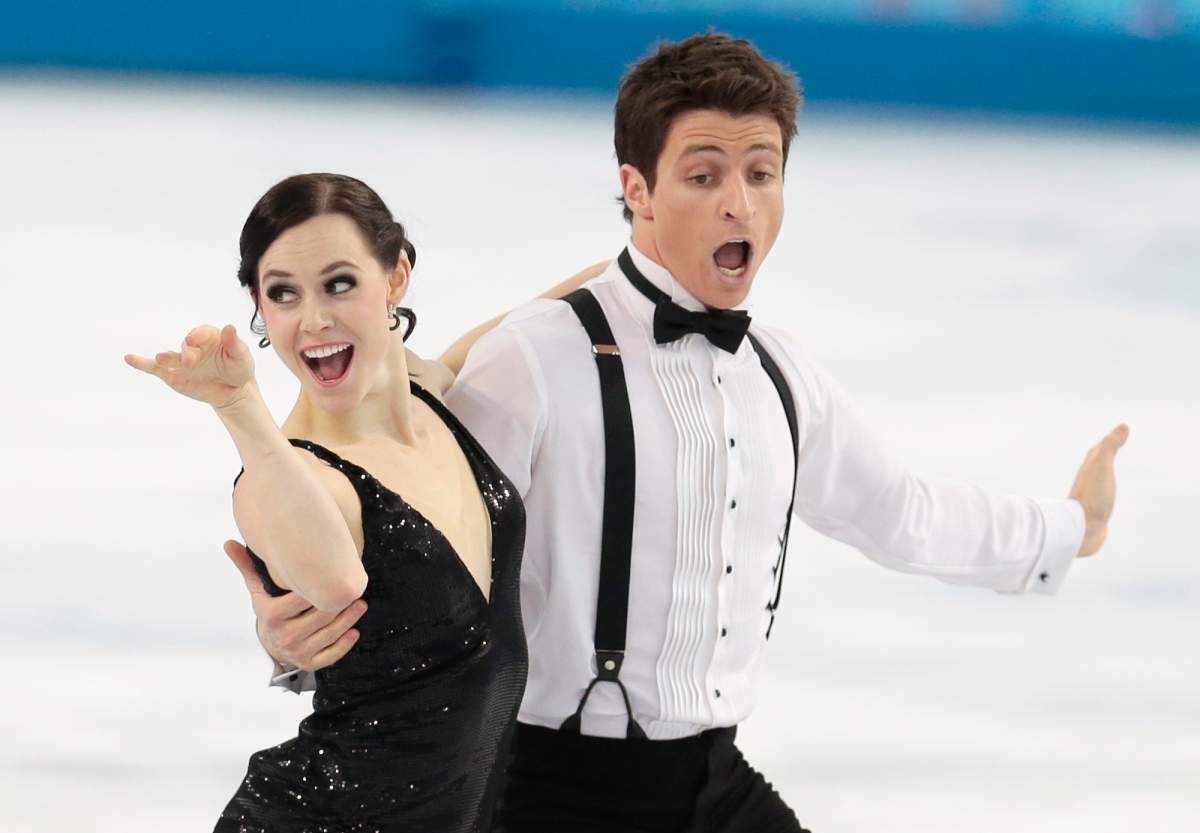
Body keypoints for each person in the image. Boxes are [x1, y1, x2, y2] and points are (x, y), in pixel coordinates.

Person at [233, 34, 1129, 833]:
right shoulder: (539, 357)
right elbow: (411, 523)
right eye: (703, 176)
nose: (739, 204)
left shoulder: (782, 372)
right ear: (639, 190)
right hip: (544, 788)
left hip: (711, 780)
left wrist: (1067, 530)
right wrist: (286, 627)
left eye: (762, 172)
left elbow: (899, 512)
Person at [127, 173, 538, 833]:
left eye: (339, 283)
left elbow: (567, 311)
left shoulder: (431, 392)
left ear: (396, 277)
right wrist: (238, 408)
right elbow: (335, 576)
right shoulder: (287, 475)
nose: (313, 319)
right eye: (283, 293)